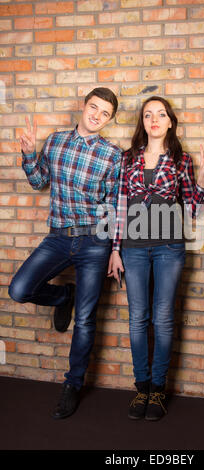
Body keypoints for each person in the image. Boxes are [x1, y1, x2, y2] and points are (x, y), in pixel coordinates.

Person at [9, 87, 122, 419]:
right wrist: (30, 154)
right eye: (93, 108)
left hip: (94, 243)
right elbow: (39, 181)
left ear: (110, 119)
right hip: (58, 237)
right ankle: (63, 296)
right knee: (19, 289)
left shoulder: (113, 154)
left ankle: (73, 384)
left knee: (86, 320)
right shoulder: (56, 141)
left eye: (105, 113)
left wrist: (114, 249)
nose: (97, 116)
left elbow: (116, 206)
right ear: (83, 106)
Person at [108, 96, 204, 421]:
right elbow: (120, 207)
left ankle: (158, 390)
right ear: (143, 122)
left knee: (163, 318)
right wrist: (115, 248)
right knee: (138, 317)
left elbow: (193, 209)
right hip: (135, 249)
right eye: (148, 114)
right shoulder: (128, 159)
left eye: (161, 114)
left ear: (170, 122)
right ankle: (141, 388)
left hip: (169, 247)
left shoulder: (182, 160)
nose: (154, 119)